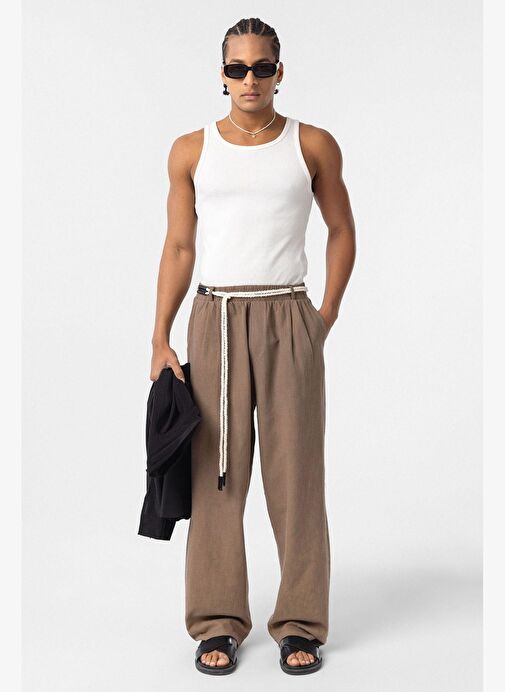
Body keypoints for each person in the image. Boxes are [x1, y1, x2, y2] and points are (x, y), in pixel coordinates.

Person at [149, 17, 356, 675]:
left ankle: (301, 624)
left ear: (278, 72)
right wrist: (160, 336)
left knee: (297, 477)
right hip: (215, 316)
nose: (249, 79)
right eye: (237, 68)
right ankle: (216, 621)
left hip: (288, 314)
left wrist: (323, 314)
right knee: (216, 477)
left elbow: (341, 229)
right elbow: (179, 245)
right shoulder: (191, 150)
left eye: (261, 67)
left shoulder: (311, 144)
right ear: (221, 74)